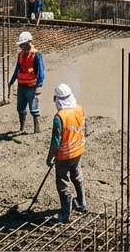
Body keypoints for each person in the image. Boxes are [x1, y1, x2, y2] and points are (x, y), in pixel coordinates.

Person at [45, 83, 87, 223]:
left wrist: (50, 157)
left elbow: (55, 142)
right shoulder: (79, 109)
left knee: (63, 183)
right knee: (77, 176)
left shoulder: (59, 117)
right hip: (78, 150)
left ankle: (64, 214)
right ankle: (81, 204)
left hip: (64, 156)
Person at [11, 31, 44, 134]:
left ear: (29, 43)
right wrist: (11, 81)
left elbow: (41, 71)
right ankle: (22, 128)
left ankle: (36, 129)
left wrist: (39, 85)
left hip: (32, 86)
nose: (23, 48)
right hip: (21, 85)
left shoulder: (36, 55)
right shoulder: (20, 55)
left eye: (24, 45)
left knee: (33, 108)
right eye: (21, 46)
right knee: (20, 107)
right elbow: (17, 69)